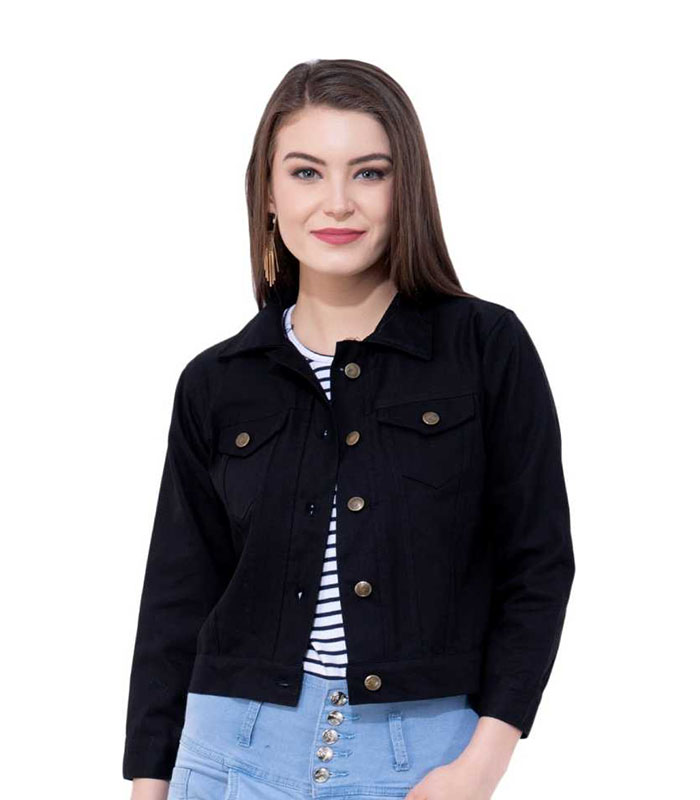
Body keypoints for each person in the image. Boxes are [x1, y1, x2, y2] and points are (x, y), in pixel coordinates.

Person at [123, 58, 575, 800]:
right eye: (306, 172)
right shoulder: (215, 382)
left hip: (419, 762)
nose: (337, 202)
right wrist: (149, 786)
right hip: (226, 757)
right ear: (269, 194)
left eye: (369, 173)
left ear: (407, 188)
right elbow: (176, 597)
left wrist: (481, 764)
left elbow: (539, 565)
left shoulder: (486, 349)